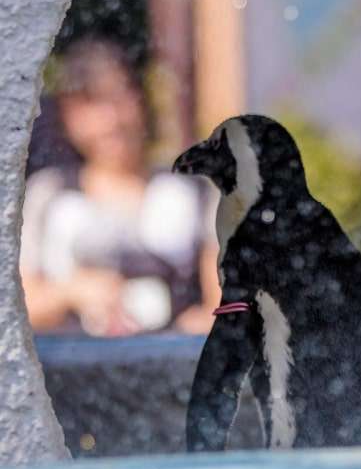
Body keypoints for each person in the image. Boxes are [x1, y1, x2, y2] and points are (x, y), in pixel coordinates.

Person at [21, 38, 219, 336]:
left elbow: (229, 304)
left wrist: (192, 331)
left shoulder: (196, 191)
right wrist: (71, 291)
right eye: (92, 105)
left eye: (118, 98)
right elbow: (19, 308)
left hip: (175, 370)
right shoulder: (48, 194)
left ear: (141, 100)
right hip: (75, 374)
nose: (109, 121)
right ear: (68, 116)